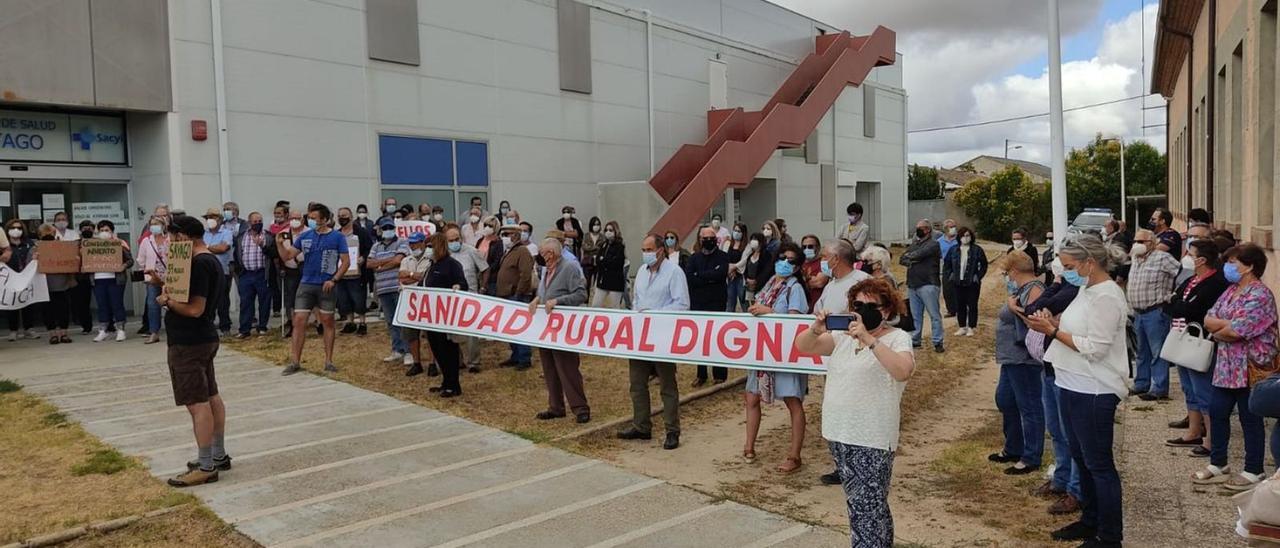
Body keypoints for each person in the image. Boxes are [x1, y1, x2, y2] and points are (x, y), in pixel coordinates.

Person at [1025, 235, 1127, 546]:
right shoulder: (1086, 288)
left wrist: (1053, 331)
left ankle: (1109, 536)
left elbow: (1095, 348)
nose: (1066, 271)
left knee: (1098, 463)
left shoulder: (1107, 296)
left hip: (1094, 388)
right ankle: (1090, 519)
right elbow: (1076, 327)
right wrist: (1052, 320)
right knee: (1081, 458)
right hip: (1070, 380)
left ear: (1089, 263)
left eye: (1070, 266)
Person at [795, 277, 914, 546]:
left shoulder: (897, 338)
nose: (861, 309)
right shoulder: (842, 337)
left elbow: (903, 370)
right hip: (839, 432)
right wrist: (816, 329)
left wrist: (870, 340)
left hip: (871, 437)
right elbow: (804, 347)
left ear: (886, 310)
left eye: (870, 305)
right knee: (860, 506)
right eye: (856, 304)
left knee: (868, 508)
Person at [1194, 243, 1277, 492]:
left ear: (1249, 266)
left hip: (1251, 367)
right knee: (1217, 411)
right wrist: (1225, 327)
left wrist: (1223, 329)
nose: (1228, 267)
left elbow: (1238, 330)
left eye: (1233, 262)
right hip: (1227, 366)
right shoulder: (1231, 291)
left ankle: (1254, 469)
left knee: (1249, 418)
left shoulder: (1260, 295)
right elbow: (1208, 318)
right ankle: (1218, 463)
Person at [157, 215, 230, 487]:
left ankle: (206, 465)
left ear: (185, 237)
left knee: (196, 403)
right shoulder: (208, 260)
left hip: (189, 342)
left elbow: (194, 309)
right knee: (211, 396)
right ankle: (217, 454)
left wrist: (167, 302)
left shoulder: (199, 264)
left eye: (173, 236)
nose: (171, 241)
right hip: (203, 338)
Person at [1022, 257, 1082, 515]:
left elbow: (1041, 305)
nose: (1062, 270)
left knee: (1072, 435)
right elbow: (1034, 307)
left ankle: (1076, 491)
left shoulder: (1077, 291)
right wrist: (1056, 282)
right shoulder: (1063, 285)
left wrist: (1057, 285)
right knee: (1056, 431)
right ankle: (1061, 478)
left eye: (1068, 266)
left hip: (1068, 370)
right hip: (1050, 365)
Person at [619, 233, 689, 450]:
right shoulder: (641, 271)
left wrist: (655, 313)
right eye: (643, 250)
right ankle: (641, 425)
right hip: (641, 335)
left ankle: (672, 430)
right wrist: (638, 312)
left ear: (660, 251)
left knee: (667, 384)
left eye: (649, 250)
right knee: (637, 382)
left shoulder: (675, 272)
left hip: (662, 335)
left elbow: (682, 304)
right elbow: (637, 298)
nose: (645, 254)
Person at [744, 242, 809, 473]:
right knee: (751, 398)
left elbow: (795, 320)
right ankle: (749, 446)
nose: (785, 263)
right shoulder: (770, 283)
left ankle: (794, 455)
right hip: (762, 351)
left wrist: (769, 312)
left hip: (785, 353)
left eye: (791, 261)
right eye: (782, 258)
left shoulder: (795, 289)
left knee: (792, 401)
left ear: (797, 266)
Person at [813, 237, 872, 487]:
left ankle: (862, 463)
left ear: (836, 259)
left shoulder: (861, 283)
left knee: (857, 410)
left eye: (825, 257)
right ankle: (842, 464)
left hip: (857, 359)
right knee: (837, 411)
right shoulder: (832, 285)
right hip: (835, 358)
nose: (822, 262)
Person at [1165, 240, 1229, 456]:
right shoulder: (1192, 280)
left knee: (1204, 392)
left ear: (1201, 260)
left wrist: (1179, 305)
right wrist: (1179, 305)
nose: (1187, 257)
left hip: (1200, 343)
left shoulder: (1216, 283)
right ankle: (1193, 431)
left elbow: (1194, 310)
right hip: (1181, 341)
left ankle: (1211, 441)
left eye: (1190, 254)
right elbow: (1173, 304)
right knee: (1189, 389)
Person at [276, 203, 349, 375]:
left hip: (326, 284)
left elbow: (346, 262)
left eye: (314, 218)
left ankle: (329, 360)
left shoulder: (337, 237)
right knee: (299, 320)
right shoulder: (306, 236)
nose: (311, 220)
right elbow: (288, 256)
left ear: (324, 219)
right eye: (309, 217)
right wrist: (280, 244)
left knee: (327, 321)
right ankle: (295, 361)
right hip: (306, 282)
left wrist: (334, 279)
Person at [990, 251, 1045, 475]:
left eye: (1007, 272)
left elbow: (1036, 322)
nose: (1007, 276)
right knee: (1005, 400)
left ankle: (1031, 456)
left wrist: (1013, 309)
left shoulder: (1034, 289)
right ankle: (1013, 446)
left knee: (1029, 405)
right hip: (1010, 357)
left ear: (1014, 271)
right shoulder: (1021, 289)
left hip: (1024, 358)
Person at [530, 238, 591, 423]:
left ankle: (580, 407)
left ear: (553, 253)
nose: (542, 258)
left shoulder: (570, 267)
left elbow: (581, 294)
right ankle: (555, 406)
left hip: (564, 327)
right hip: (546, 327)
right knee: (549, 367)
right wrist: (537, 299)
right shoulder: (546, 270)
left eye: (544, 254)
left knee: (567, 367)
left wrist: (559, 302)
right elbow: (545, 292)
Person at [1125, 229, 1182, 401]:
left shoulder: (1163, 258)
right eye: (1136, 241)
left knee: (1158, 351)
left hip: (1156, 311)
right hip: (1138, 312)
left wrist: (1172, 296)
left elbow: (1182, 274)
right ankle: (1141, 383)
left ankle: (1159, 387)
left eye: (1142, 241)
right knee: (1142, 351)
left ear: (1152, 242)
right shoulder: (1136, 257)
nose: (1137, 244)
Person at [418, 232, 468, 396]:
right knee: (436, 348)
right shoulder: (431, 266)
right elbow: (422, 285)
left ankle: (453, 385)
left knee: (448, 350)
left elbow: (462, 283)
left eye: (431, 246)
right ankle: (446, 381)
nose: (428, 250)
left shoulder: (452, 264)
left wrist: (457, 287)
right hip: (431, 317)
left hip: (445, 316)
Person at [687, 225, 730, 387]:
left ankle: (720, 374)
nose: (709, 241)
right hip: (698, 304)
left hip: (717, 302)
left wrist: (702, 276)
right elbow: (690, 278)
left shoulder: (723, 257)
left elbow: (720, 274)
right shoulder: (694, 258)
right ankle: (701, 374)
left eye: (711, 238)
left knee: (718, 338)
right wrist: (709, 277)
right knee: (700, 340)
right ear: (700, 240)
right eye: (705, 239)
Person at [445, 226, 488, 372]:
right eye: (451, 240)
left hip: (470, 296)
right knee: (450, 332)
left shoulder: (471, 251)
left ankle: (474, 362)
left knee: (471, 332)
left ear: (461, 238)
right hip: (451, 298)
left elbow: (484, 269)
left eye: (456, 239)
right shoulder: (445, 254)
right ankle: (457, 360)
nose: (454, 242)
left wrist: (483, 288)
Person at [368, 220, 411, 365]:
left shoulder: (402, 242)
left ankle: (408, 351)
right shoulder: (376, 245)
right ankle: (397, 349)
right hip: (383, 288)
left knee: (403, 320)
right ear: (380, 230)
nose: (387, 230)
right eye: (385, 228)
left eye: (390, 227)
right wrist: (388, 261)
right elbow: (369, 264)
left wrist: (380, 266)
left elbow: (399, 260)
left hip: (397, 286)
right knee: (391, 321)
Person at [494, 222, 535, 369]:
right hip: (505, 295)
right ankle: (515, 355)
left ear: (515, 235)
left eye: (507, 235)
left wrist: (519, 293)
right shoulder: (509, 251)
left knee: (519, 327)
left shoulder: (522, 251)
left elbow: (526, 274)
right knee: (509, 328)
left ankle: (524, 358)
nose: (504, 238)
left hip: (516, 295)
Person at [900, 219, 944, 352]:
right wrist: (911, 258)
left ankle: (937, 341)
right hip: (913, 283)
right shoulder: (915, 244)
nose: (917, 230)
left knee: (934, 315)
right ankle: (915, 340)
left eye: (921, 228)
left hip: (928, 283)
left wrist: (911, 257)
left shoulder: (933, 244)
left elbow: (920, 254)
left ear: (927, 230)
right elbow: (902, 259)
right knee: (915, 315)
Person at [397, 232, 437, 376]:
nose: (413, 246)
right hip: (410, 301)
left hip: (427, 300)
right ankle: (417, 362)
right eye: (411, 243)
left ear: (423, 243)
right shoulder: (406, 259)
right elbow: (401, 278)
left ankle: (433, 363)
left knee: (430, 334)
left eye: (415, 243)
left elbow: (425, 278)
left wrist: (411, 275)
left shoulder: (431, 258)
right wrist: (414, 276)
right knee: (411, 334)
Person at [91, 220, 134, 342]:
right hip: (98, 279)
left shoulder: (120, 243)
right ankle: (103, 331)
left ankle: (120, 330)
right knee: (102, 305)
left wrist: (123, 266)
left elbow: (130, 260)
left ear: (112, 231)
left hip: (115, 279)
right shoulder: (92, 245)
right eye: (101, 230)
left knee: (117, 304)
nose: (104, 232)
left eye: (107, 230)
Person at [942, 227, 987, 336]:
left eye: (968, 236)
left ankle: (971, 327)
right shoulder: (953, 250)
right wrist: (950, 275)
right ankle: (962, 326)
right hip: (958, 282)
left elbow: (984, 264)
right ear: (959, 237)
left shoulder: (977, 249)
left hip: (972, 282)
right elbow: (947, 264)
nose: (965, 238)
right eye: (963, 236)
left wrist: (978, 276)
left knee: (972, 304)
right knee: (960, 304)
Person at [31, 224, 72, 344]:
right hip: (44, 285)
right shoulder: (35, 248)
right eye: (45, 233)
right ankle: (52, 334)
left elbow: (70, 261)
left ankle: (64, 333)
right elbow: (29, 266)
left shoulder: (62, 246)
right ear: (40, 235)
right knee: (48, 311)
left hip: (61, 283)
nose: (48, 235)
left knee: (63, 310)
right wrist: (34, 258)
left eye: (50, 233)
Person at [334, 207, 371, 335]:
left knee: (359, 299)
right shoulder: (337, 234)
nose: (342, 218)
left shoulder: (361, 232)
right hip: (341, 273)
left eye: (344, 215)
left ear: (350, 216)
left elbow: (369, 249)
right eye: (339, 216)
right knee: (344, 300)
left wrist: (363, 258)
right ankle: (350, 322)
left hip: (357, 273)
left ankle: (362, 323)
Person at [202, 208, 235, 337]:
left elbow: (223, 248)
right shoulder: (203, 234)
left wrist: (207, 248)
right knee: (207, 300)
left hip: (222, 270)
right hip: (205, 271)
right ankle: (208, 326)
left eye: (214, 217)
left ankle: (225, 326)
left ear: (220, 220)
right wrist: (213, 248)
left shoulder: (226, 233)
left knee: (222, 300)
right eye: (208, 217)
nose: (211, 220)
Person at [138, 215, 171, 344]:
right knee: (152, 304)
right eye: (152, 224)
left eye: (157, 224)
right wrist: (146, 272)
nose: (154, 226)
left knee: (170, 304)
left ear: (163, 226)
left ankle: (172, 330)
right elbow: (141, 259)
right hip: (153, 278)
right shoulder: (147, 241)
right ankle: (154, 332)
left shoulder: (169, 240)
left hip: (169, 277)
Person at [4, 219, 39, 340]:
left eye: (19, 228)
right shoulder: (4, 245)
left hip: (27, 277)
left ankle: (29, 328)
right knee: (11, 303)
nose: (16, 230)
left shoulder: (29, 243)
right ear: (7, 230)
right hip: (10, 277)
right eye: (13, 228)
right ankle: (13, 330)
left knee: (27, 303)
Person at [591, 221, 626, 308]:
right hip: (602, 280)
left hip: (615, 282)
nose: (608, 232)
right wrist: (603, 260)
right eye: (606, 230)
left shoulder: (620, 246)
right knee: (595, 304)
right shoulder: (604, 244)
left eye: (610, 230)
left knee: (614, 307)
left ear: (615, 231)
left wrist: (604, 260)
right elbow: (598, 260)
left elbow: (617, 263)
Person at [70, 220, 96, 334]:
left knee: (104, 301)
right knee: (83, 303)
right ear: (80, 230)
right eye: (84, 228)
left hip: (97, 275)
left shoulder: (99, 242)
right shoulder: (76, 244)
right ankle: (86, 326)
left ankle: (109, 324)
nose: (87, 230)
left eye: (89, 228)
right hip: (82, 277)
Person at [734, 233, 774, 305]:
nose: (753, 241)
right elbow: (746, 269)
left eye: (755, 239)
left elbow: (767, 271)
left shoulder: (766, 255)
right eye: (752, 239)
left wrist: (756, 280)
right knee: (749, 305)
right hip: (749, 286)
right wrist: (747, 279)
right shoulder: (750, 255)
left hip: (760, 286)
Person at [725, 223, 750, 312]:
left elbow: (744, 260)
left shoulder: (748, 246)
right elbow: (724, 257)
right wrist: (729, 269)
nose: (736, 233)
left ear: (743, 233)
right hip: (730, 276)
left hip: (740, 276)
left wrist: (734, 267)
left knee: (743, 301)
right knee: (730, 301)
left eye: (739, 231)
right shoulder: (728, 244)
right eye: (735, 230)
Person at [937, 219, 960, 318]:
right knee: (947, 290)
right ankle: (951, 310)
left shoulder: (959, 240)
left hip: (958, 266)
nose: (953, 229)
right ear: (946, 229)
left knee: (959, 289)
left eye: (954, 226)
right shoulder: (939, 242)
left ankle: (961, 308)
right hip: (946, 267)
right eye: (951, 227)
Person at [799, 234, 826, 310]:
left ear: (818, 247)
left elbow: (819, 282)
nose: (807, 249)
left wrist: (802, 280)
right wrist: (809, 279)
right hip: (802, 306)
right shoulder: (799, 263)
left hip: (818, 307)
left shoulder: (825, 262)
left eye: (810, 246)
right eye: (804, 247)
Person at [581, 216, 603, 298]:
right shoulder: (586, 236)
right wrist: (596, 247)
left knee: (597, 283)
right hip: (587, 262)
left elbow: (602, 248)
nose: (596, 226)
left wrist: (591, 248)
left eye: (598, 224)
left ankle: (595, 299)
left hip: (598, 262)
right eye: (594, 224)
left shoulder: (602, 237)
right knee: (587, 282)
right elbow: (584, 247)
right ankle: (586, 300)